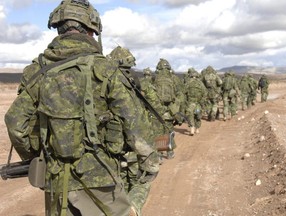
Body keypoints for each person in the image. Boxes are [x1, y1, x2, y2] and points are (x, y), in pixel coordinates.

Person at [4, 1, 159, 215]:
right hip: (101, 177)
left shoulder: (38, 71)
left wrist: (36, 157)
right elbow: (134, 124)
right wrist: (149, 161)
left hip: (56, 179)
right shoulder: (106, 69)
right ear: (92, 29)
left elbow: (14, 122)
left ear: (58, 28)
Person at [107, 45, 157, 216]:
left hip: (108, 149)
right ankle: (132, 206)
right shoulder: (132, 81)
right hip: (131, 146)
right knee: (138, 180)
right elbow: (135, 122)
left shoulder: (102, 80)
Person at [154, 58, 179, 159]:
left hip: (157, 110)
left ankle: (159, 155)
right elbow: (178, 94)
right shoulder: (172, 79)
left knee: (158, 132)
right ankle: (170, 152)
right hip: (169, 111)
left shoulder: (155, 79)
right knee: (169, 131)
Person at [184, 68, 207, 135]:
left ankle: (192, 127)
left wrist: (186, 101)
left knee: (190, 114)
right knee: (198, 116)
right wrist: (202, 101)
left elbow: (183, 92)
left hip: (190, 102)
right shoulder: (200, 83)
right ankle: (197, 128)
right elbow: (205, 93)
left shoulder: (188, 82)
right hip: (198, 103)